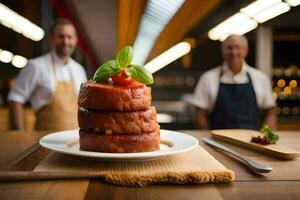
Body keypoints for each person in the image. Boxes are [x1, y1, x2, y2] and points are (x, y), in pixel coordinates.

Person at [8, 18, 87, 131]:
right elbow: (15, 98)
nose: (65, 41)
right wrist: (19, 133)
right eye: (60, 36)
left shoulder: (79, 70)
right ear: (51, 39)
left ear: (75, 40)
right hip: (43, 141)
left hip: (73, 141)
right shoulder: (36, 66)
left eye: (69, 37)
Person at [193, 34, 277, 130]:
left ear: (245, 51)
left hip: (250, 142)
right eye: (229, 48)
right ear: (223, 51)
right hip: (218, 142)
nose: (234, 52)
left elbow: (270, 112)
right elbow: (199, 115)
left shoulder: (260, 78)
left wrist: (266, 138)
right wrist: (207, 137)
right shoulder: (208, 78)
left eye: (238, 47)